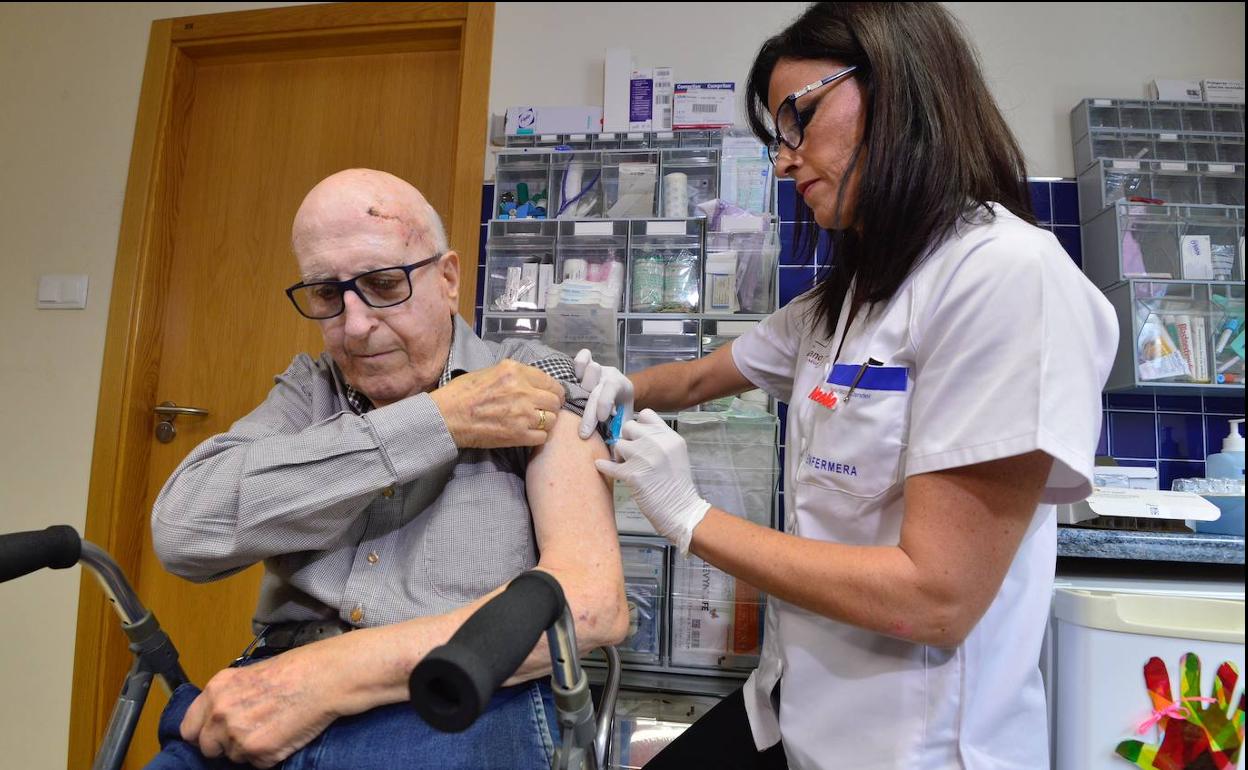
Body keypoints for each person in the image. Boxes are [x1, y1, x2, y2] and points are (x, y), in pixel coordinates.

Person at [578, 4, 1117, 769]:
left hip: (908, 745)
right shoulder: (849, 298)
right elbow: (699, 376)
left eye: (797, 120)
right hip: (796, 704)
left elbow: (934, 598)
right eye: (777, 136)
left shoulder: (1004, 278)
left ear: (897, 91)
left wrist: (693, 518)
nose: (783, 161)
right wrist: (614, 385)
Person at [147, 168, 628, 770]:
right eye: (327, 294)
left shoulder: (530, 381)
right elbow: (183, 533)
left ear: (448, 279)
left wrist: (328, 677)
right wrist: (438, 421)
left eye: (382, 284)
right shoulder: (308, 392)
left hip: (454, 699)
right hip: (270, 693)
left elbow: (590, 602)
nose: (354, 326)